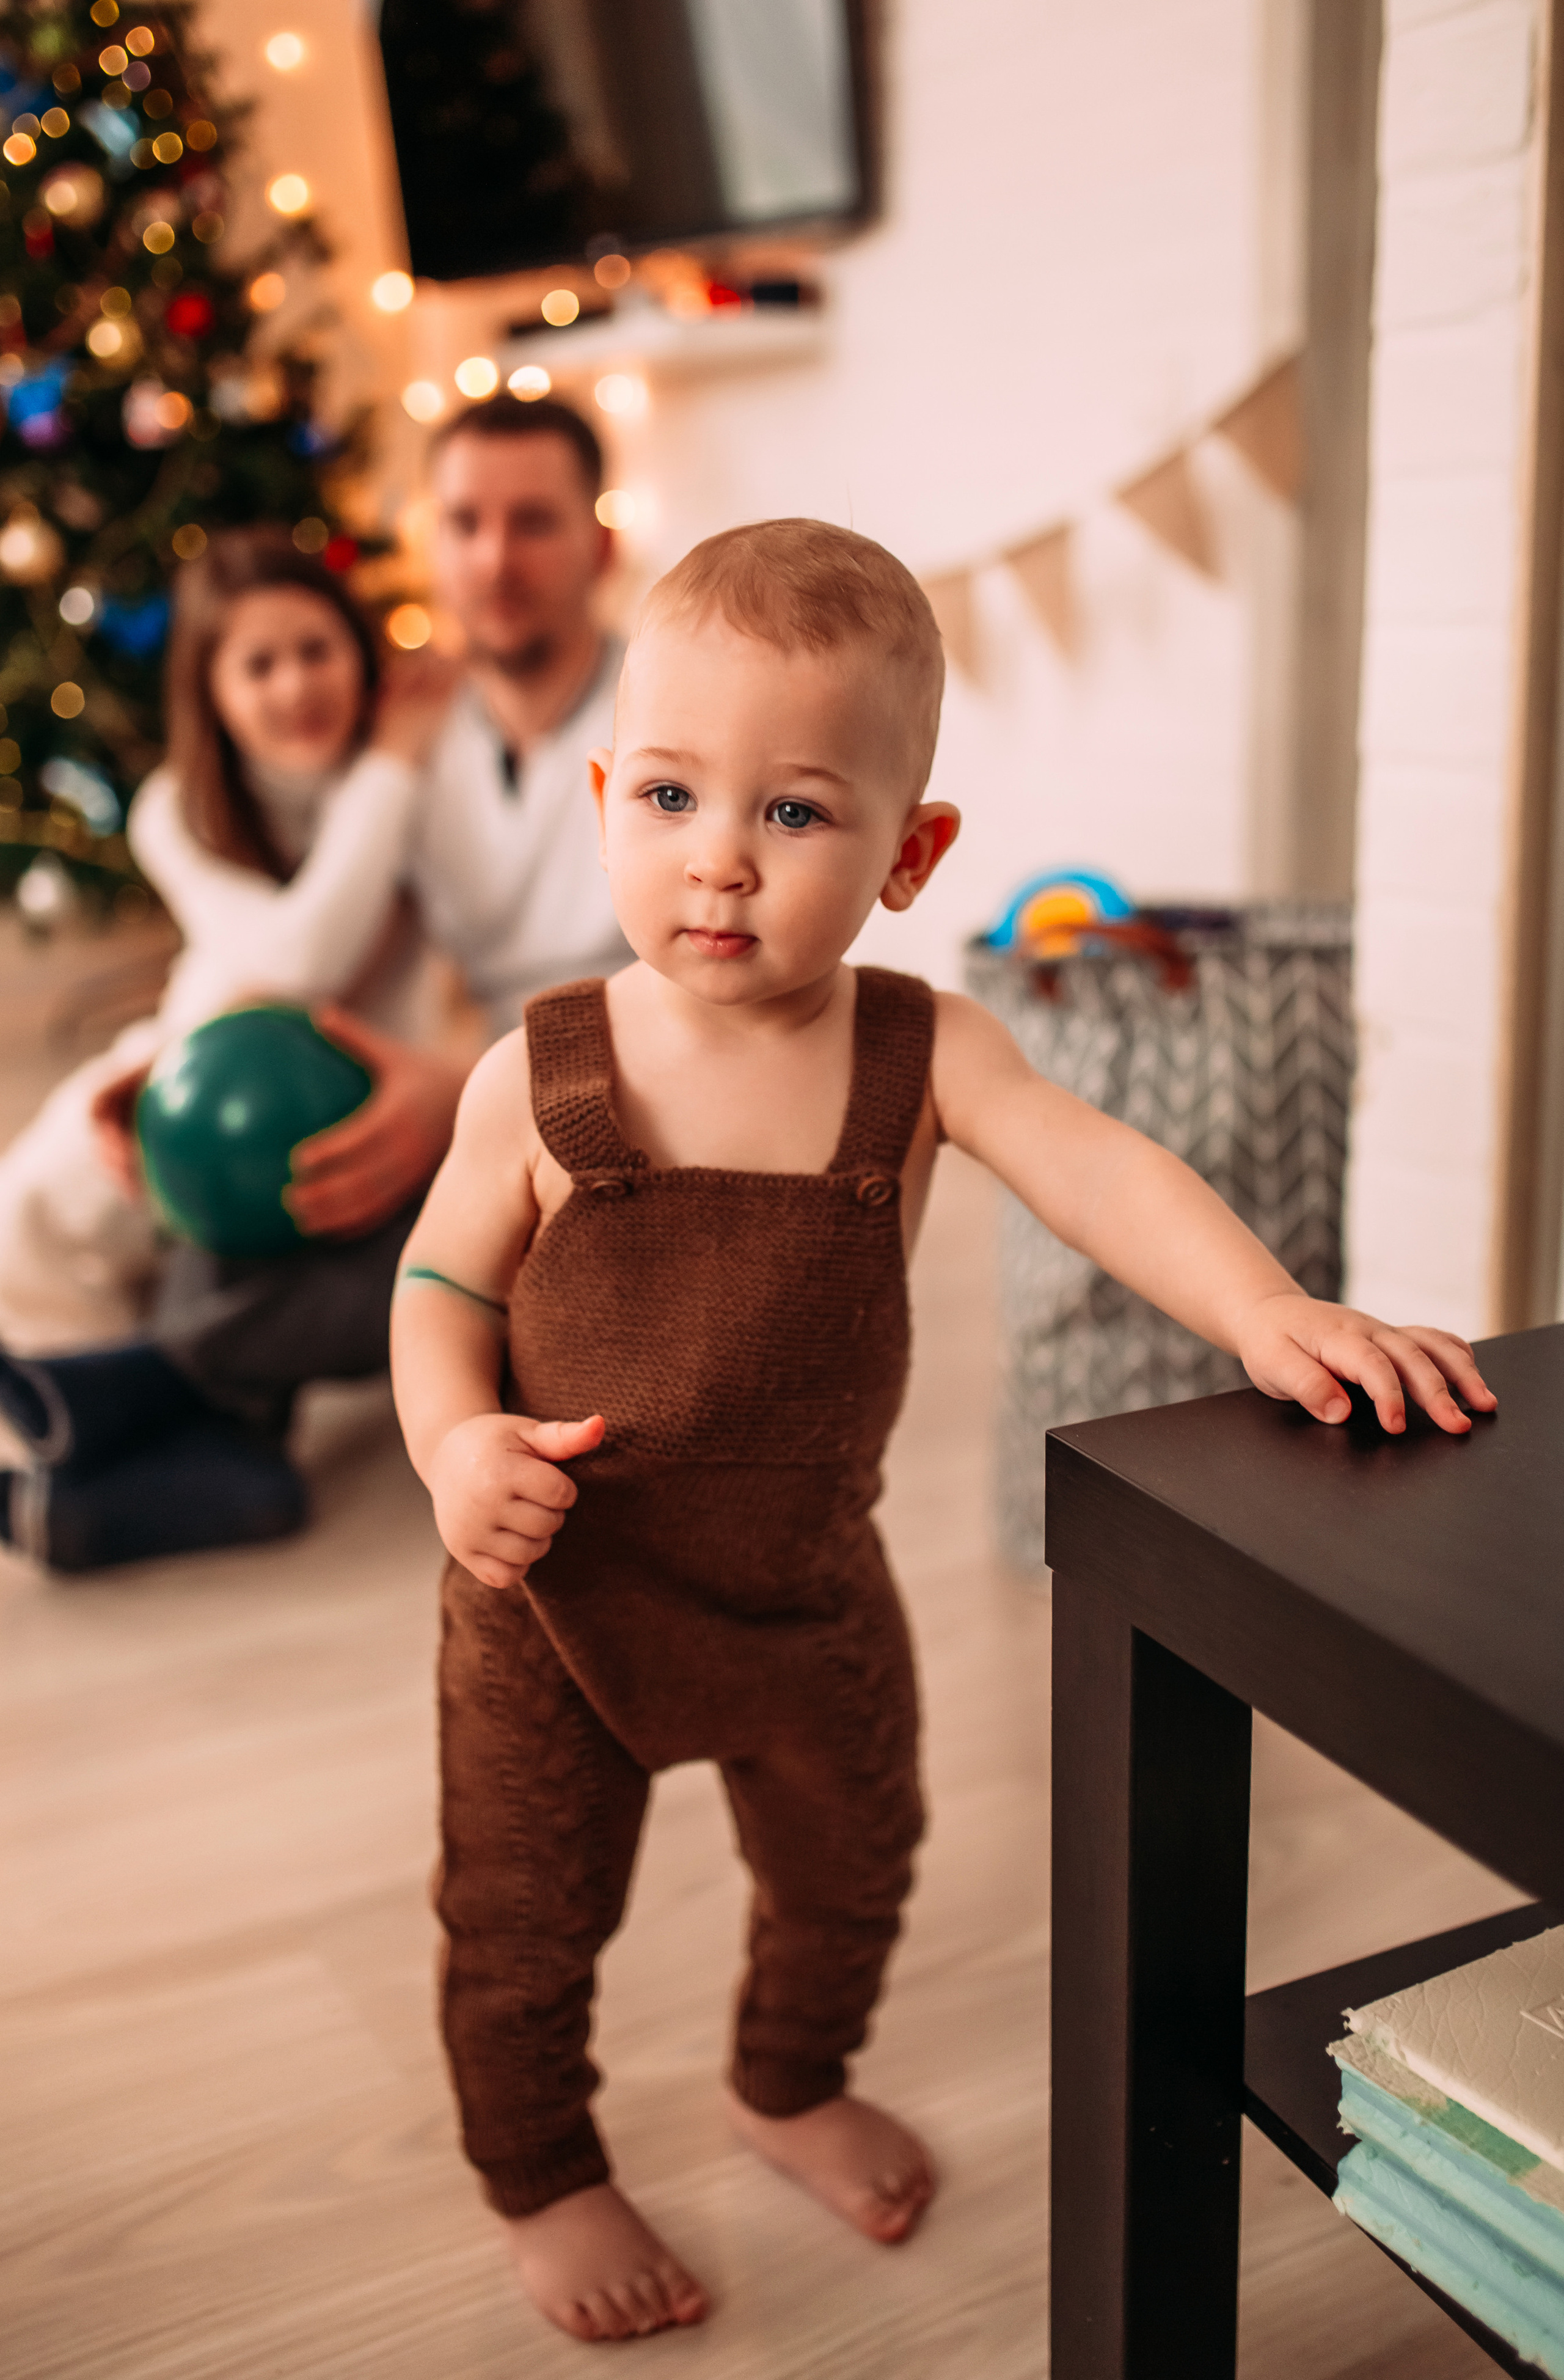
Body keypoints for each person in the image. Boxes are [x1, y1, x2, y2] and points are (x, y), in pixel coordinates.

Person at [389, 518, 1495, 2344]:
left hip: (805, 1588)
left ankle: (787, 2077)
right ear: (603, 799)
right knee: (520, 1918)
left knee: (852, 1863)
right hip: (551, 1601)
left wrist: (1267, 1309)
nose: (720, 863)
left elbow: (1101, 1169)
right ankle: (544, 2171)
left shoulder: (923, 1054)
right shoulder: (545, 1068)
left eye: (795, 814)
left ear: (912, 855)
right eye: (667, 796)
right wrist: (448, 1450)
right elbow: (441, 1287)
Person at [0, 396, 629, 1567]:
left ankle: (139, 1413)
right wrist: (157, 1075)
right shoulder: (408, 741)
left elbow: (700, 1003)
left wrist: (459, 1091)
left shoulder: (665, 713)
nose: (497, 557)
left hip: (611, 1128)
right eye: (466, 523)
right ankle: (190, 1457)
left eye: (534, 521)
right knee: (219, 1249)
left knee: (259, 1286)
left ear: (600, 539)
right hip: (476, 1109)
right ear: (431, 543)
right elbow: (283, 953)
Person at [0, 526, 451, 1563]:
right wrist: (390, 764)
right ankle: (89, 1452)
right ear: (210, 691)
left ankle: (108, 1464)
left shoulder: (402, 790)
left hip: (312, 1112)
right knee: (34, 1209)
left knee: (224, 1283)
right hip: (180, 1072)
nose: (295, 685)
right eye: (258, 664)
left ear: (358, 652)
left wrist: (388, 771)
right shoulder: (176, 809)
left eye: (315, 650)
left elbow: (318, 976)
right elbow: (300, 954)